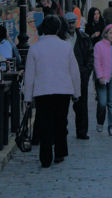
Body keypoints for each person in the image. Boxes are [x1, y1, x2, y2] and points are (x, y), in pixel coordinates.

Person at [23, 14, 81, 168]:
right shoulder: (66, 46)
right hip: (63, 89)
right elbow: (74, 71)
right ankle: (60, 152)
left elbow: (29, 75)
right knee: (61, 121)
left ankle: (45, 156)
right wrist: (76, 93)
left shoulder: (35, 48)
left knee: (45, 122)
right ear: (58, 29)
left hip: (43, 90)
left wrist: (27, 97)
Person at [64, 12, 93, 140]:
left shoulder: (84, 38)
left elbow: (90, 55)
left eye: (73, 22)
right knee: (63, 105)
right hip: (64, 74)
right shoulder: (61, 38)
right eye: (69, 22)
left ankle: (82, 131)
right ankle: (62, 130)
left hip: (81, 74)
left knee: (81, 105)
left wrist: (86, 71)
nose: (71, 25)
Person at [93, 23, 112, 136]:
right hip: (103, 78)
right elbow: (97, 62)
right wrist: (100, 76)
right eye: (110, 33)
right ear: (105, 34)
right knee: (102, 103)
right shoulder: (99, 46)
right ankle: (100, 121)